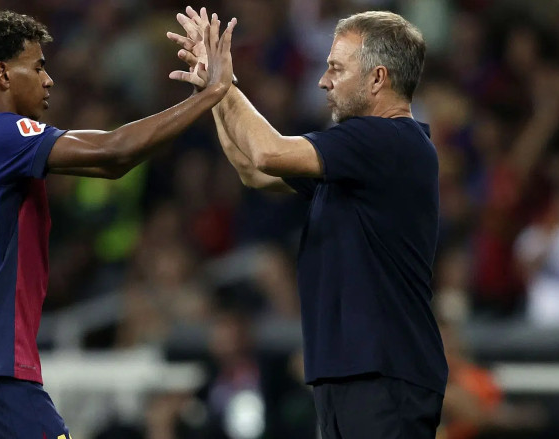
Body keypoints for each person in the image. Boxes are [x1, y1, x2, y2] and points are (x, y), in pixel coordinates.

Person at [0, 10, 236, 438]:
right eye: (38, 67)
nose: (49, 80)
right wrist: (211, 93)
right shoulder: (1, 134)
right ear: (2, 73)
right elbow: (112, 153)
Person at [168, 7, 446, 438]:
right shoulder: (363, 158)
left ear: (378, 78)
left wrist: (225, 81)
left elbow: (268, 152)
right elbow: (252, 171)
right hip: (355, 373)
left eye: (336, 68)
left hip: (383, 374)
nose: (323, 81)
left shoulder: (388, 140)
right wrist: (215, 91)